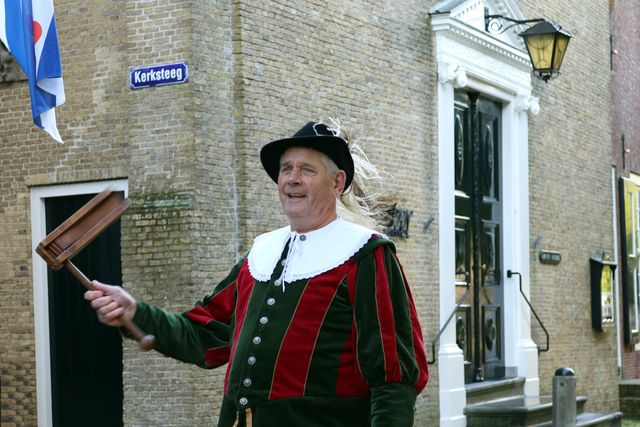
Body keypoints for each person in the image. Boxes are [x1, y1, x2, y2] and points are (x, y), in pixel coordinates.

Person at [85, 121, 429, 427]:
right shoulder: (262, 253)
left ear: (337, 182)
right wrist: (135, 312)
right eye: (286, 169)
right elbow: (203, 334)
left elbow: (393, 377)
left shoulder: (365, 255)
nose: (292, 179)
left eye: (307, 169)